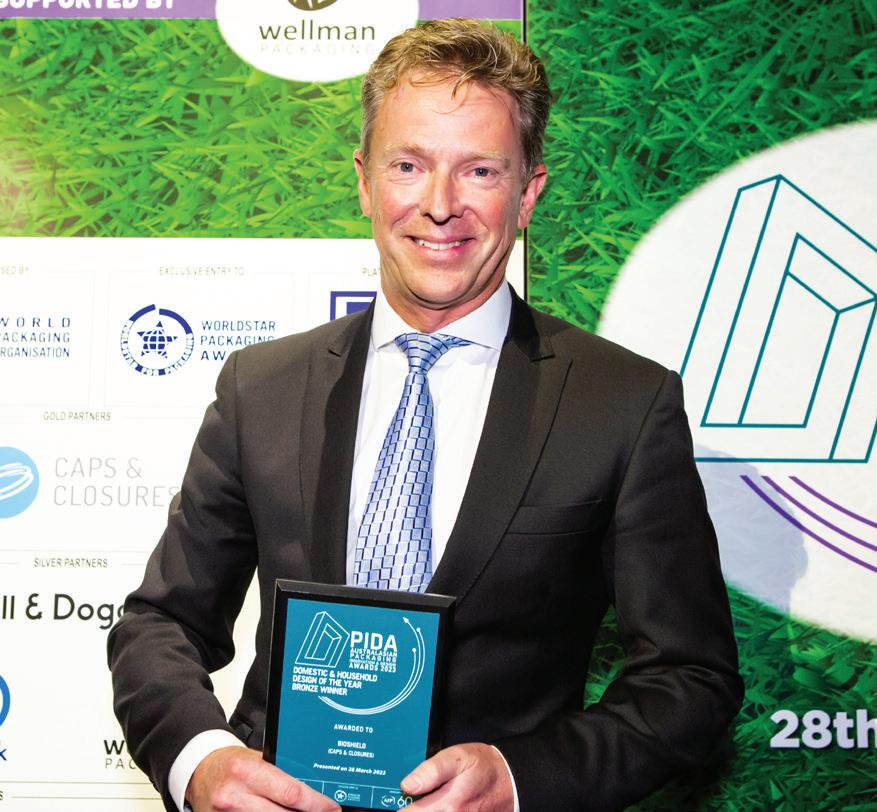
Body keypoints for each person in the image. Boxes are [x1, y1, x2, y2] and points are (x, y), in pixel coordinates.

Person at [108, 18, 743, 812]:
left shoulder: (620, 404)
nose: (439, 206)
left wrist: (520, 779)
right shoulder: (261, 387)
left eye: (479, 170)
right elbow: (160, 623)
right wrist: (202, 763)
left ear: (527, 192)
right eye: (407, 165)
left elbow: (689, 677)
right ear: (364, 180)